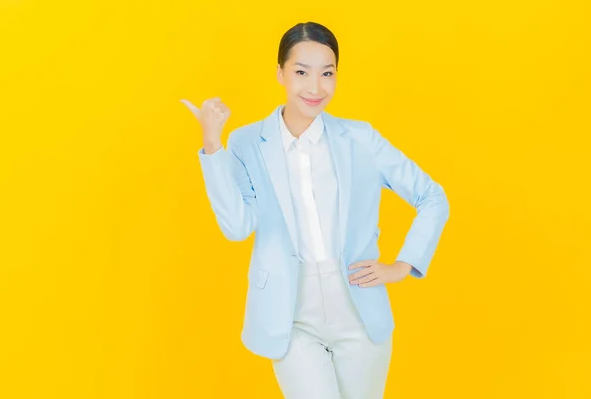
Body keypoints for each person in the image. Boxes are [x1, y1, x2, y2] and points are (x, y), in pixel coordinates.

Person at [181, 21, 449, 399]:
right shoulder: (246, 143)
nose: (315, 87)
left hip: (358, 311)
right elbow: (237, 226)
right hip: (291, 317)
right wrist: (212, 144)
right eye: (301, 72)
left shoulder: (360, 138)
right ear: (280, 73)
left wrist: (403, 265)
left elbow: (432, 196)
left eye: (327, 73)